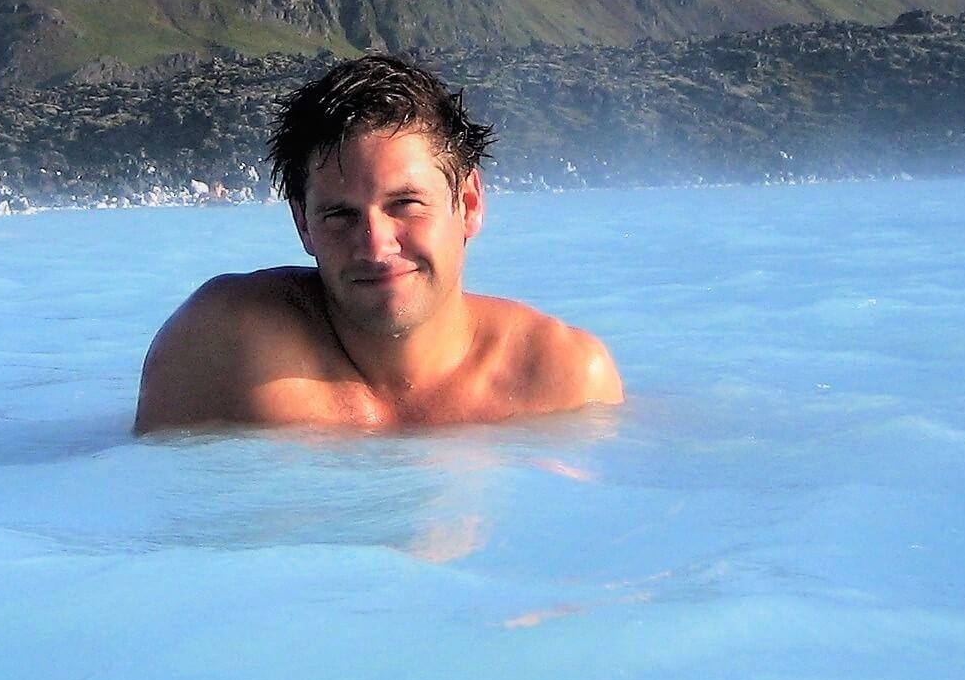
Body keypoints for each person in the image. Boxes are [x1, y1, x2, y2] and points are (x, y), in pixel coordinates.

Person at [133, 54, 621, 433]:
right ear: (303, 224)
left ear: (468, 203)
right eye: (340, 215)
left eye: (405, 204)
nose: (374, 245)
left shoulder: (563, 381)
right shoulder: (224, 347)